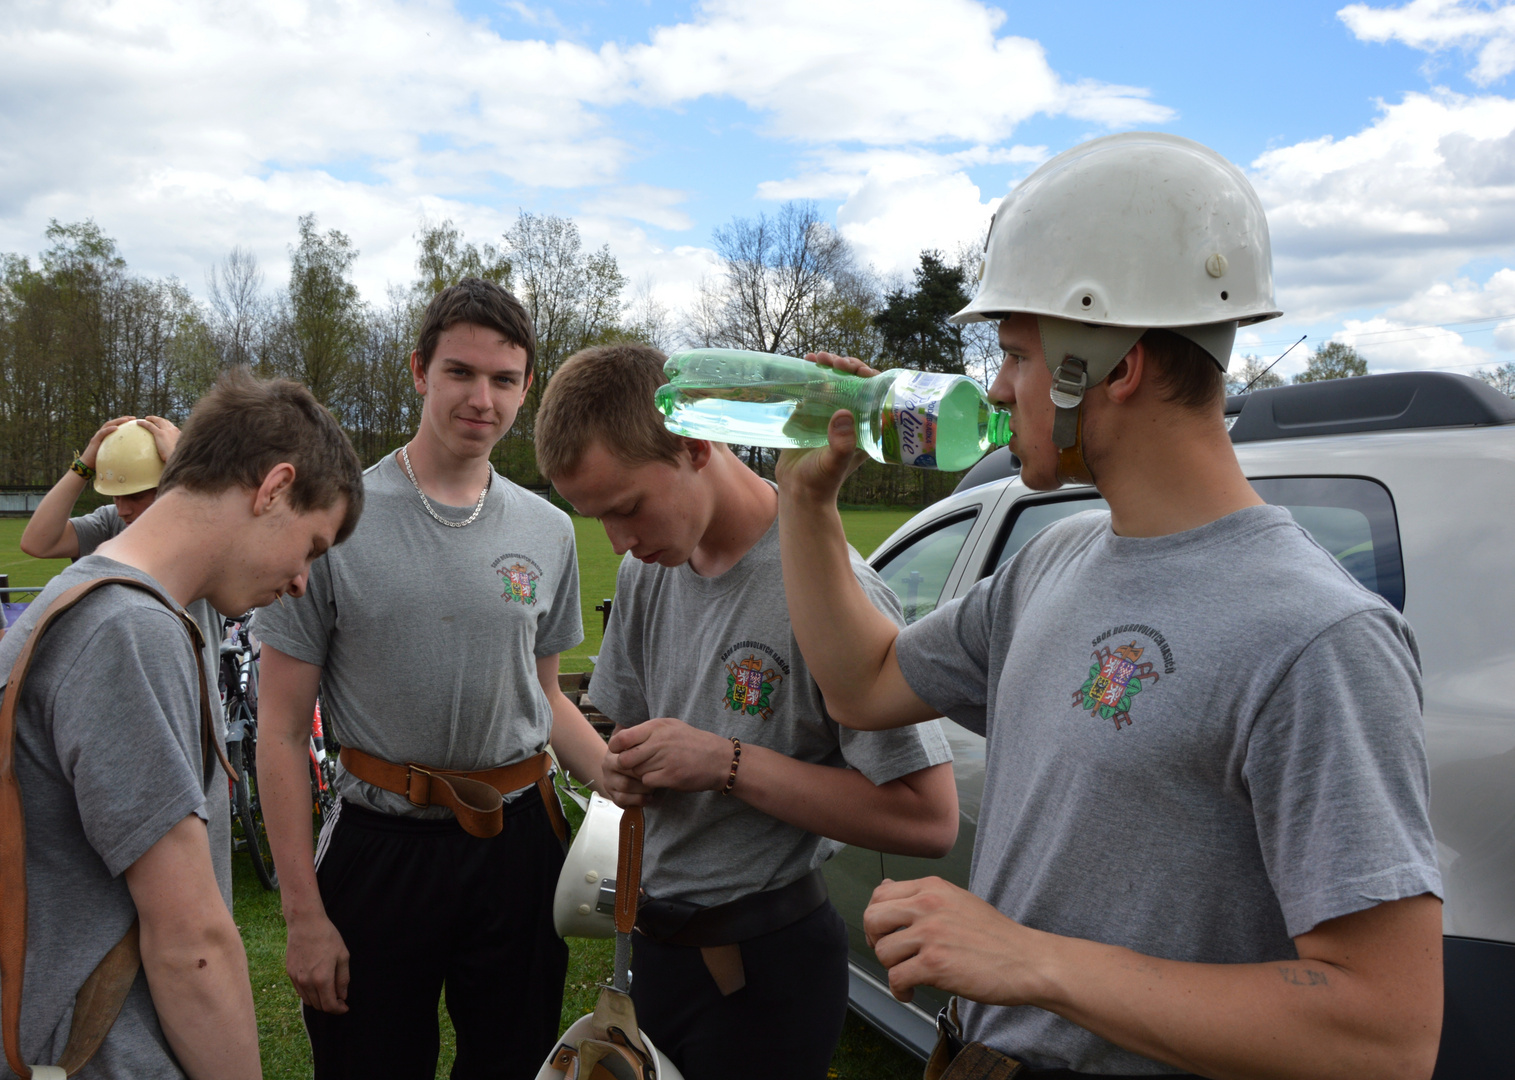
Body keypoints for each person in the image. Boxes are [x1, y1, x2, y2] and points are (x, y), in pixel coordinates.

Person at [774, 133, 1445, 1079]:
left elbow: (1387, 1033)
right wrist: (806, 505)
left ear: (1111, 366)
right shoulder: (1055, 559)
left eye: (1014, 354)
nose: (998, 390)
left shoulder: (1317, 637)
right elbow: (861, 685)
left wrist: (1035, 963)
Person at [536, 342, 958, 1080]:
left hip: (767, 972)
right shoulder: (647, 571)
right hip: (654, 953)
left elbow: (927, 818)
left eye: (628, 508)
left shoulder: (835, 593)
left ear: (697, 443)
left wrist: (725, 763)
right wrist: (624, 770)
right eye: (595, 518)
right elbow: (624, 736)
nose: (619, 542)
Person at [254, 278, 608, 1080]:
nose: (481, 398)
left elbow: (546, 695)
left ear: (526, 389)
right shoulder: (338, 518)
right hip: (381, 848)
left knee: (512, 1062)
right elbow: (278, 731)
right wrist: (302, 914)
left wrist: (620, 783)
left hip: (520, 845)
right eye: (460, 372)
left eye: (504, 379)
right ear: (418, 371)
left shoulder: (546, 529)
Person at [0, 368, 364, 1079]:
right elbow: (190, 942)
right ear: (274, 488)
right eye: (313, 548)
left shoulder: (77, 599)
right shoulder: (127, 630)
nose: (300, 581)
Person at [18, 413, 235, 909]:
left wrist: (193, 465)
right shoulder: (114, 524)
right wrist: (82, 463)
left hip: (191, 715)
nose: (125, 509)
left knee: (201, 874)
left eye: (139, 495)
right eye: (116, 495)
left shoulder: (204, 530)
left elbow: (233, 535)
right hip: (132, 712)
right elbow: (39, 541)